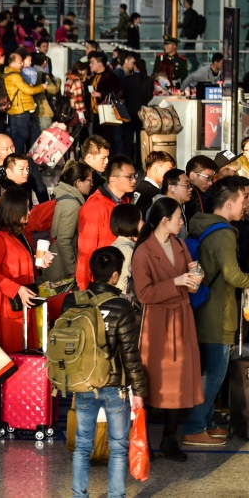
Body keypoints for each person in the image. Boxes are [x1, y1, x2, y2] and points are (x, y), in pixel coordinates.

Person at [66, 247, 148, 498]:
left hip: (83, 383)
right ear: (115, 275)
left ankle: (79, 494)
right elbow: (130, 355)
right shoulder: (121, 306)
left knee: (82, 445)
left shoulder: (74, 300)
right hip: (115, 386)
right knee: (118, 446)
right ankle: (116, 495)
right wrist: (139, 391)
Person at [131, 196, 203, 461]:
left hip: (181, 317)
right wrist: (176, 281)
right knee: (153, 382)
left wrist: (194, 279)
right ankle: (144, 440)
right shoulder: (143, 252)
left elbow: (189, 278)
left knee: (179, 381)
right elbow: (143, 294)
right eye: (178, 218)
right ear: (164, 220)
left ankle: (170, 438)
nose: (181, 222)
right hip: (157, 322)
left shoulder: (181, 245)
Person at [182, 177, 249, 446]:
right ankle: (195, 426)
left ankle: (207, 423)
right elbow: (233, 275)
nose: (245, 205)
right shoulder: (223, 233)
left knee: (209, 371)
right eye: (243, 200)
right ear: (230, 202)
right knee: (213, 373)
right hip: (217, 312)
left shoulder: (203, 224)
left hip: (204, 307)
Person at [0, 188, 49, 353]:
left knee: (25, 350)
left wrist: (38, 264)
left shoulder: (20, 234)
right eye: (25, 208)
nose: (29, 212)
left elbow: (20, 263)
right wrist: (17, 289)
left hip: (22, 300)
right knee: (13, 350)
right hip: (8, 304)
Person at [76, 156, 136, 290]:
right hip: (103, 282)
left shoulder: (125, 202)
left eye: (134, 176)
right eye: (129, 177)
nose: (134, 180)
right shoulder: (95, 206)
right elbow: (85, 251)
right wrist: (83, 287)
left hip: (122, 275)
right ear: (113, 179)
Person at [46, 161, 94, 283]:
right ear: (78, 182)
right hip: (60, 267)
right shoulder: (72, 205)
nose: (92, 184)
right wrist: (72, 270)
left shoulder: (64, 197)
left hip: (56, 260)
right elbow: (63, 241)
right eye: (89, 180)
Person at [3, 51, 46, 153]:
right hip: (20, 109)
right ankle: (17, 158)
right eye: (20, 62)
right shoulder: (15, 76)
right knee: (21, 137)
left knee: (15, 136)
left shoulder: (7, 73)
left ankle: (14, 158)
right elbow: (28, 90)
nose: (22, 64)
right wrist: (41, 87)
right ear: (12, 63)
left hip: (14, 109)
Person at [109, 204, 142, 301]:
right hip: (123, 303)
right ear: (131, 222)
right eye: (141, 219)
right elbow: (122, 286)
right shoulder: (127, 250)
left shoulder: (117, 244)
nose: (144, 223)